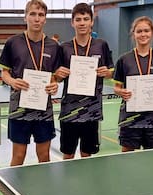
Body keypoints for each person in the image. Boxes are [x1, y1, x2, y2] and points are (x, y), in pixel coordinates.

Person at [0, 0, 60, 195]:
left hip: (44, 108)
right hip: (19, 108)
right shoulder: (13, 42)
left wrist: (55, 84)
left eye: (41, 14)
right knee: (18, 156)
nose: (36, 18)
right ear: (25, 17)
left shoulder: (54, 46)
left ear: (45, 18)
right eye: (32, 14)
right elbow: (3, 73)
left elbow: (56, 75)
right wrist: (12, 81)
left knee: (44, 155)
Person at [54, 3, 114, 159]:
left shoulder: (102, 45)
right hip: (69, 111)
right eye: (78, 19)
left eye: (86, 19)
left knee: (86, 154)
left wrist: (106, 73)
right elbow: (57, 78)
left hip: (92, 110)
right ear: (72, 22)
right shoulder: (64, 48)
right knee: (68, 153)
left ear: (92, 22)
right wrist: (59, 74)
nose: (82, 23)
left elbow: (110, 73)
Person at [112, 16, 153, 152]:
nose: (143, 34)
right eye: (139, 31)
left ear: (152, 33)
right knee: (126, 158)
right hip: (130, 118)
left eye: (146, 31)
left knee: (152, 158)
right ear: (134, 34)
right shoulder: (124, 60)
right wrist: (121, 92)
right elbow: (116, 88)